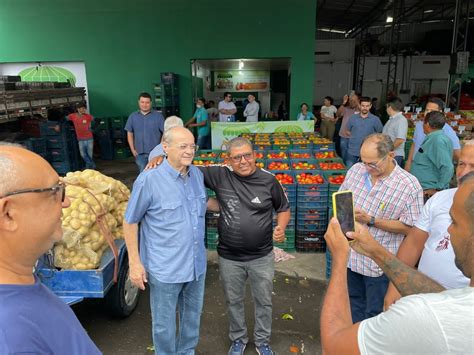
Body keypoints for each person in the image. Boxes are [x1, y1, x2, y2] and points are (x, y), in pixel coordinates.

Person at [146, 137, 291, 355]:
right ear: (228, 160)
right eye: (237, 157)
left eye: (247, 155)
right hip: (229, 257)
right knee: (234, 301)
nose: (243, 161)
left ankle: (262, 341)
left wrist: (281, 226)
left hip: (261, 256)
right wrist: (163, 158)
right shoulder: (220, 174)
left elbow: (283, 208)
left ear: (255, 155)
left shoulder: (268, 180)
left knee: (264, 301)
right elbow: (187, 167)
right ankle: (238, 339)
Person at [321, 172, 474, 354]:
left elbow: (333, 347)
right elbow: (446, 300)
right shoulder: (456, 307)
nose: (447, 230)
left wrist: (339, 260)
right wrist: (375, 251)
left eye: (454, 222)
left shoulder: (423, 317)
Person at [0, 144, 100, 354]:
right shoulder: (12, 338)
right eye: (55, 191)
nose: (67, 202)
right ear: (8, 213)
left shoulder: (22, 285)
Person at [124, 127, 216, 354]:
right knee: (164, 326)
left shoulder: (196, 175)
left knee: (192, 318)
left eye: (192, 146)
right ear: (165, 147)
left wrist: (240, 206)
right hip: (165, 269)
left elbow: (202, 205)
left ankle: (186, 352)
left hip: (195, 266)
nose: (189, 151)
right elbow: (130, 221)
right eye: (182, 146)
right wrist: (135, 264)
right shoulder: (149, 180)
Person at [338, 133, 423, 322]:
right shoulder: (356, 170)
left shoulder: (409, 186)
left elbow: (411, 229)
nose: (367, 168)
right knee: (353, 306)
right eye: (364, 162)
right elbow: (342, 199)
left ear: (391, 155)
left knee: (375, 314)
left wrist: (372, 220)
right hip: (351, 259)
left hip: (379, 265)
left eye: (373, 164)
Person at [384, 141, 474, 308]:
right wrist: (395, 286)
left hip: (461, 309)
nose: (464, 172)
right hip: (419, 298)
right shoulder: (439, 199)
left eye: (473, 166)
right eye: (462, 164)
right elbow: (413, 244)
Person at [405, 97, 461, 171]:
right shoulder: (419, 125)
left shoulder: (447, 130)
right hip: (416, 166)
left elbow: (457, 153)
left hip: (432, 171)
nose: (428, 113)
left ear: (440, 112)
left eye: (432, 110)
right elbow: (415, 144)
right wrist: (408, 162)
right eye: (427, 110)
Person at [410, 111, 454, 200]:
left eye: (423, 122)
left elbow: (447, 167)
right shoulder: (436, 138)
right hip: (426, 189)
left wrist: (438, 188)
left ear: (427, 124)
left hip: (429, 192)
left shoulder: (437, 140)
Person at [125, 92, 165, 173]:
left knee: (155, 175)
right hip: (140, 154)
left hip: (155, 154)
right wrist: (132, 149)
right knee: (143, 175)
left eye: (147, 102)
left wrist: (160, 149)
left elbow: (165, 132)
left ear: (151, 103)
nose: (144, 104)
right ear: (138, 102)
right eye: (142, 102)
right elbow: (129, 133)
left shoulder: (158, 116)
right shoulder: (133, 116)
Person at [344, 96, 383, 168]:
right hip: (352, 151)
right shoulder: (353, 118)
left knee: (366, 174)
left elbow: (380, 135)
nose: (365, 108)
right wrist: (355, 136)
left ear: (370, 106)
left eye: (367, 106)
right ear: (359, 105)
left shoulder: (375, 120)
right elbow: (347, 131)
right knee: (350, 172)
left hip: (368, 152)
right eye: (363, 106)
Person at [66, 102, 96, 169]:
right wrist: (58, 124)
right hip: (80, 139)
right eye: (81, 108)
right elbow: (64, 119)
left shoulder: (88, 116)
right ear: (78, 109)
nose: (83, 110)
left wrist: (93, 128)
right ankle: (92, 164)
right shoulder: (72, 116)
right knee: (83, 155)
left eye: (84, 108)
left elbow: (98, 120)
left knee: (89, 155)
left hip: (89, 139)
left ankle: (88, 168)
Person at [382, 97, 408, 166]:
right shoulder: (391, 119)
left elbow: (400, 140)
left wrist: (388, 151)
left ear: (389, 106)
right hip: (388, 154)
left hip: (395, 155)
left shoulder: (401, 120)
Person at [337, 93, 360, 161]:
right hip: (344, 137)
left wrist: (358, 104)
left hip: (355, 138)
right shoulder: (346, 109)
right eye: (350, 100)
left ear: (358, 100)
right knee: (344, 155)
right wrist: (343, 103)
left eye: (353, 100)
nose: (351, 102)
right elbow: (338, 114)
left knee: (351, 158)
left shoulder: (361, 111)